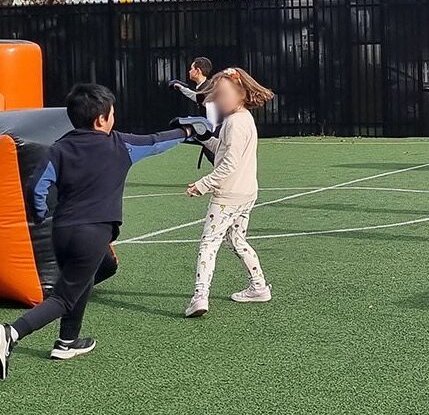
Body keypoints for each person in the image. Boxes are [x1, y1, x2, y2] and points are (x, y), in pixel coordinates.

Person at [0, 83, 195, 379]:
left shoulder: (58, 148)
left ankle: (67, 341)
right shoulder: (120, 144)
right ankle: (10, 333)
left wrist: (40, 214)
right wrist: (188, 132)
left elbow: (36, 187)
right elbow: (155, 142)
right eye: (112, 113)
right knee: (64, 296)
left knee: (85, 278)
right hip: (91, 234)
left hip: (61, 232)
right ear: (101, 120)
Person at [184, 67, 275, 317]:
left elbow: (228, 164)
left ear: (241, 92)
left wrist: (202, 184)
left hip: (228, 196)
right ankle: (258, 287)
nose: (217, 99)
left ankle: (200, 296)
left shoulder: (236, 123)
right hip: (246, 193)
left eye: (222, 94)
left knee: (208, 243)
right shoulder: (240, 119)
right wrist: (203, 137)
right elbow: (223, 150)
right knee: (236, 240)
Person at [170, 56, 219, 129]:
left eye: (191, 69)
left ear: (198, 71)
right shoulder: (203, 86)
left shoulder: (209, 87)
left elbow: (198, 97)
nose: (189, 71)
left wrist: (182, 88)